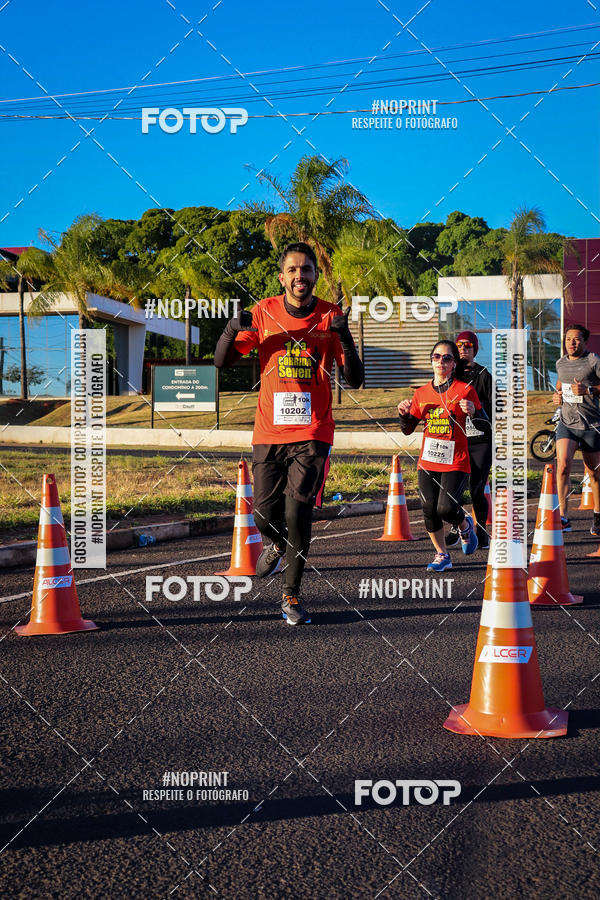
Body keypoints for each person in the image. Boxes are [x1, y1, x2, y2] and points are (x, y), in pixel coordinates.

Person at [214, 242, 364, 624]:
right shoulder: (264, 312)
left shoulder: (331, 316)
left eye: (308, 269)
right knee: (263, 516)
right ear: (282, 277)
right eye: (293, 270)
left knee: (298, 513)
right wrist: (233, 328)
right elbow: (222, 361)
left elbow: (356, 380)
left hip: (313, 431)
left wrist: (344, 336)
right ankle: (277, 542)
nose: (301, 276)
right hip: (269, 430)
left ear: (316, 276)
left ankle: (291, 596)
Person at [397, 339, 484, 571]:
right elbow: (407, 430)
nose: (441, 361)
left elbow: (485, 425)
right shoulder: (421, 393)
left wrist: (474, 412)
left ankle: (465, 525)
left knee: (445, 508)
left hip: (456, 460)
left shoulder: (465, 390)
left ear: (454, 363)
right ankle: (442, 555)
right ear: (431, 361)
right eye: (437, 357)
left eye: (447, 358)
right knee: (428, 508)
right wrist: (403, 414)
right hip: (428, 460)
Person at [445, 330, 493, 550]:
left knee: (476, 488)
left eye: (468, 346)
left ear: (475, 350)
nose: (463, 349)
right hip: (455, 438)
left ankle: (482, 531)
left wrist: (477, 409)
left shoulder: (484, 375)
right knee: (453, 488)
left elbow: (495, 409)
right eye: (460, 346)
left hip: (480, 439)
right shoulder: (450, 374)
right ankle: (459, 525)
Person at [552, 323, 600, 535]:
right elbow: (560, 385)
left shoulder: (593, 361)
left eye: (577, 339)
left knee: (594, 472)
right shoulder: (560, 363)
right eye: (568, 339)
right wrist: (557, 395)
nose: (571, 342)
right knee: (562, 465)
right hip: (567, 422)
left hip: (591, 424)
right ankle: (563, 516)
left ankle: (598, 515)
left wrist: (589, 389)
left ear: (585, 342)